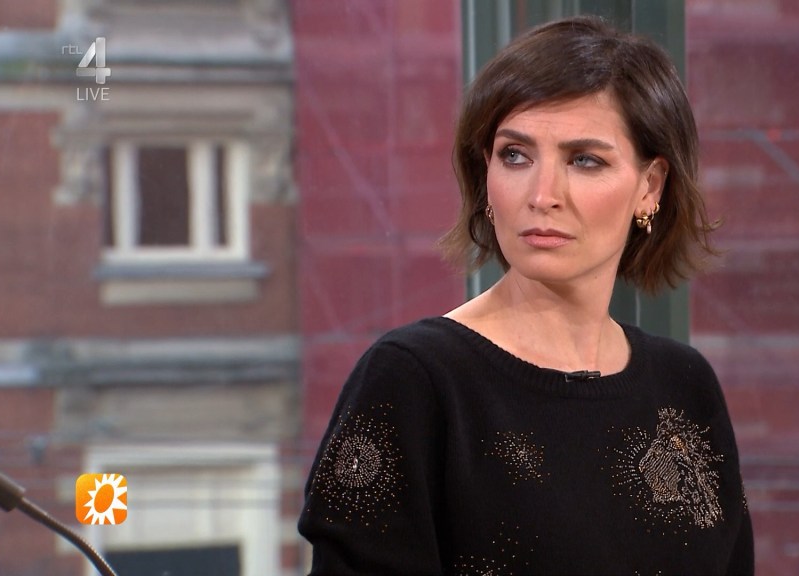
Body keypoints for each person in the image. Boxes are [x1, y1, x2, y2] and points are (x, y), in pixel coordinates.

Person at [298, 15, 753, 575]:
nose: (542, 195)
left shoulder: (685, 386)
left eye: (584, 160)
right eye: (515, 155)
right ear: (485, 173)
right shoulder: (414, 381)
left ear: (649, 187)